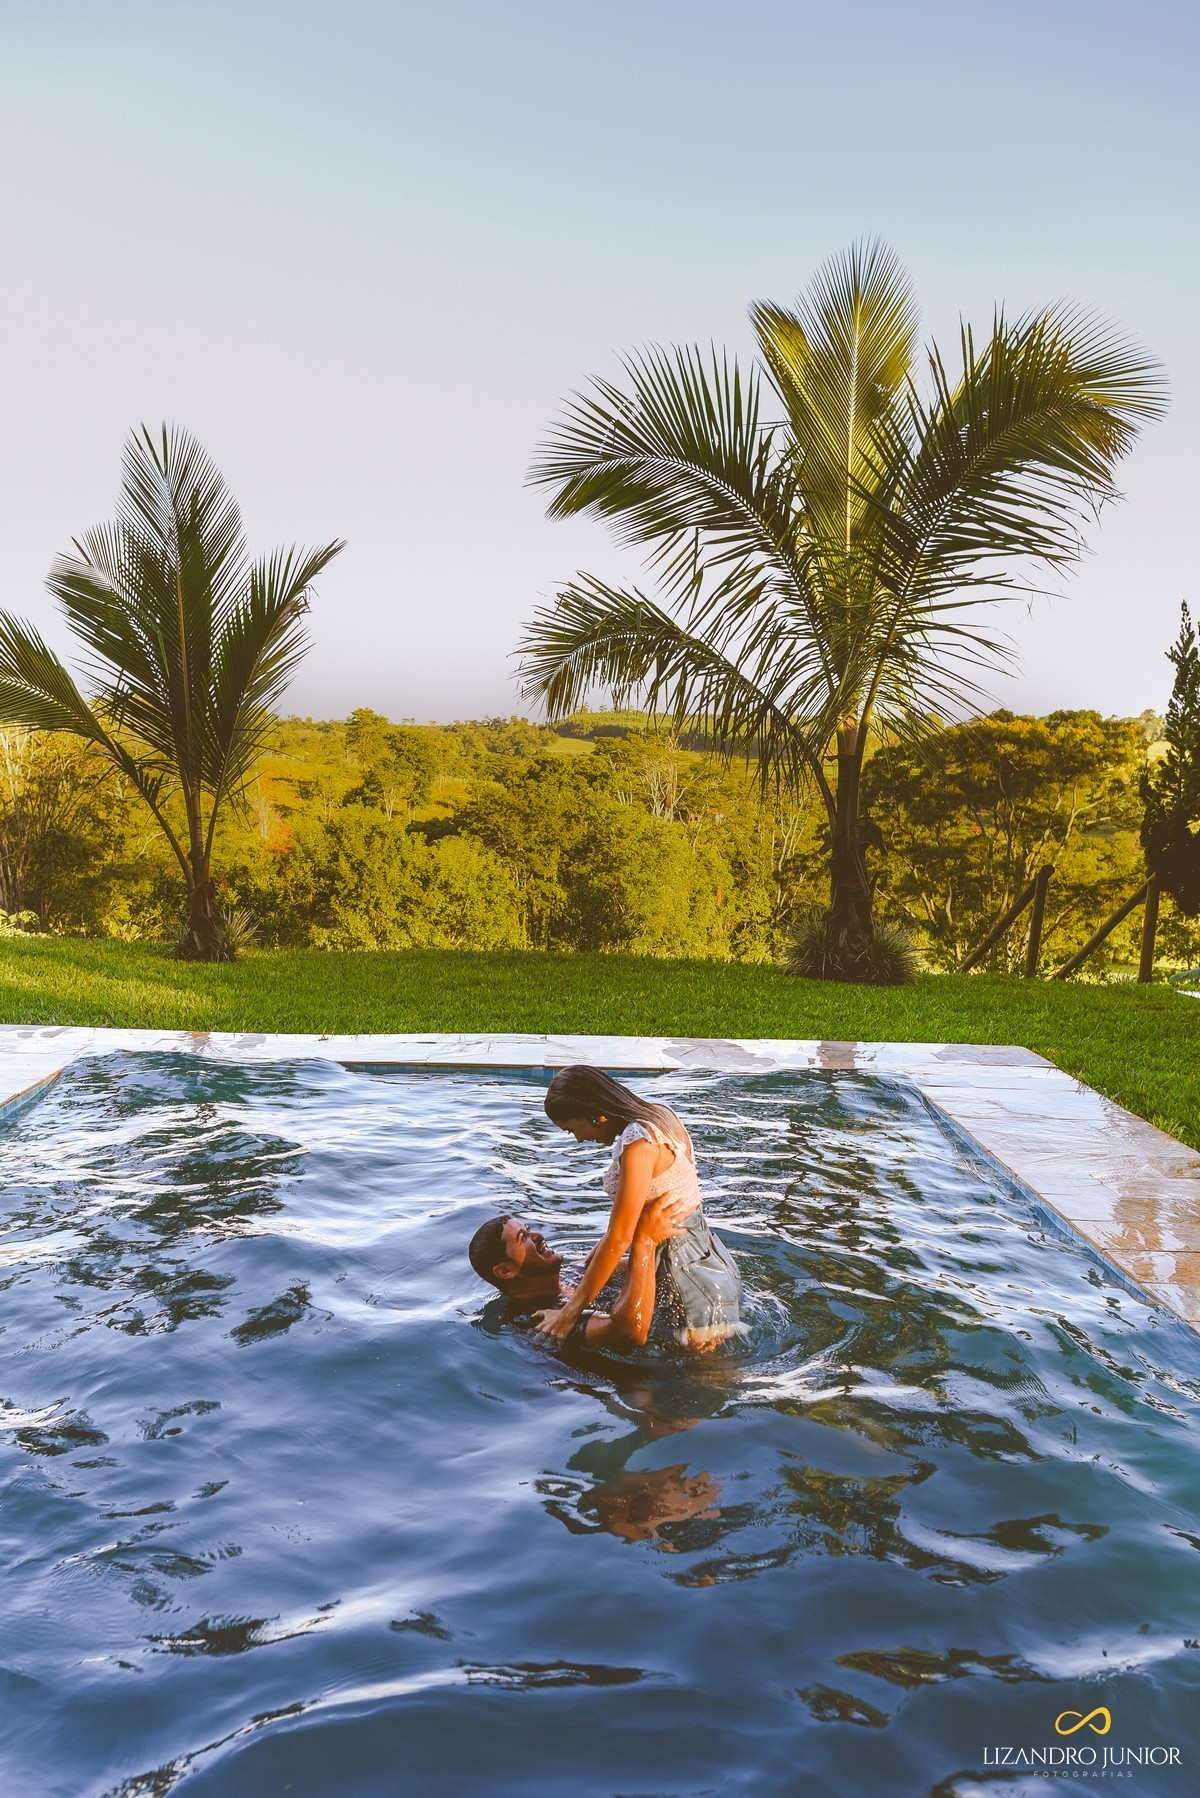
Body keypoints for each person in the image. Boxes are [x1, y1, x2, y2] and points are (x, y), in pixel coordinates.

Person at [535, 1066, 744, 1349]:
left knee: (707, 1376)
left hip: (685, 1279)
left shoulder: (639, 1143)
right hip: (709, 1260)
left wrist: (567, 1315)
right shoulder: (659, 1115)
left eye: (572, 1129)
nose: (578, 1139)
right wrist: (584, 1268)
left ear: (594, 1114)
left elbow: (619, 1237)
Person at [468, 1191, 688, 1351]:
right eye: (523, 1238)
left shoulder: (569, 1273)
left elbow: (613, 1256)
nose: (538, 1236)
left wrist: (639, 1211)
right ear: (505, 1271)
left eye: (529, 1229)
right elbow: (629, 1332)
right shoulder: (534, 1319)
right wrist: (646, 1241)